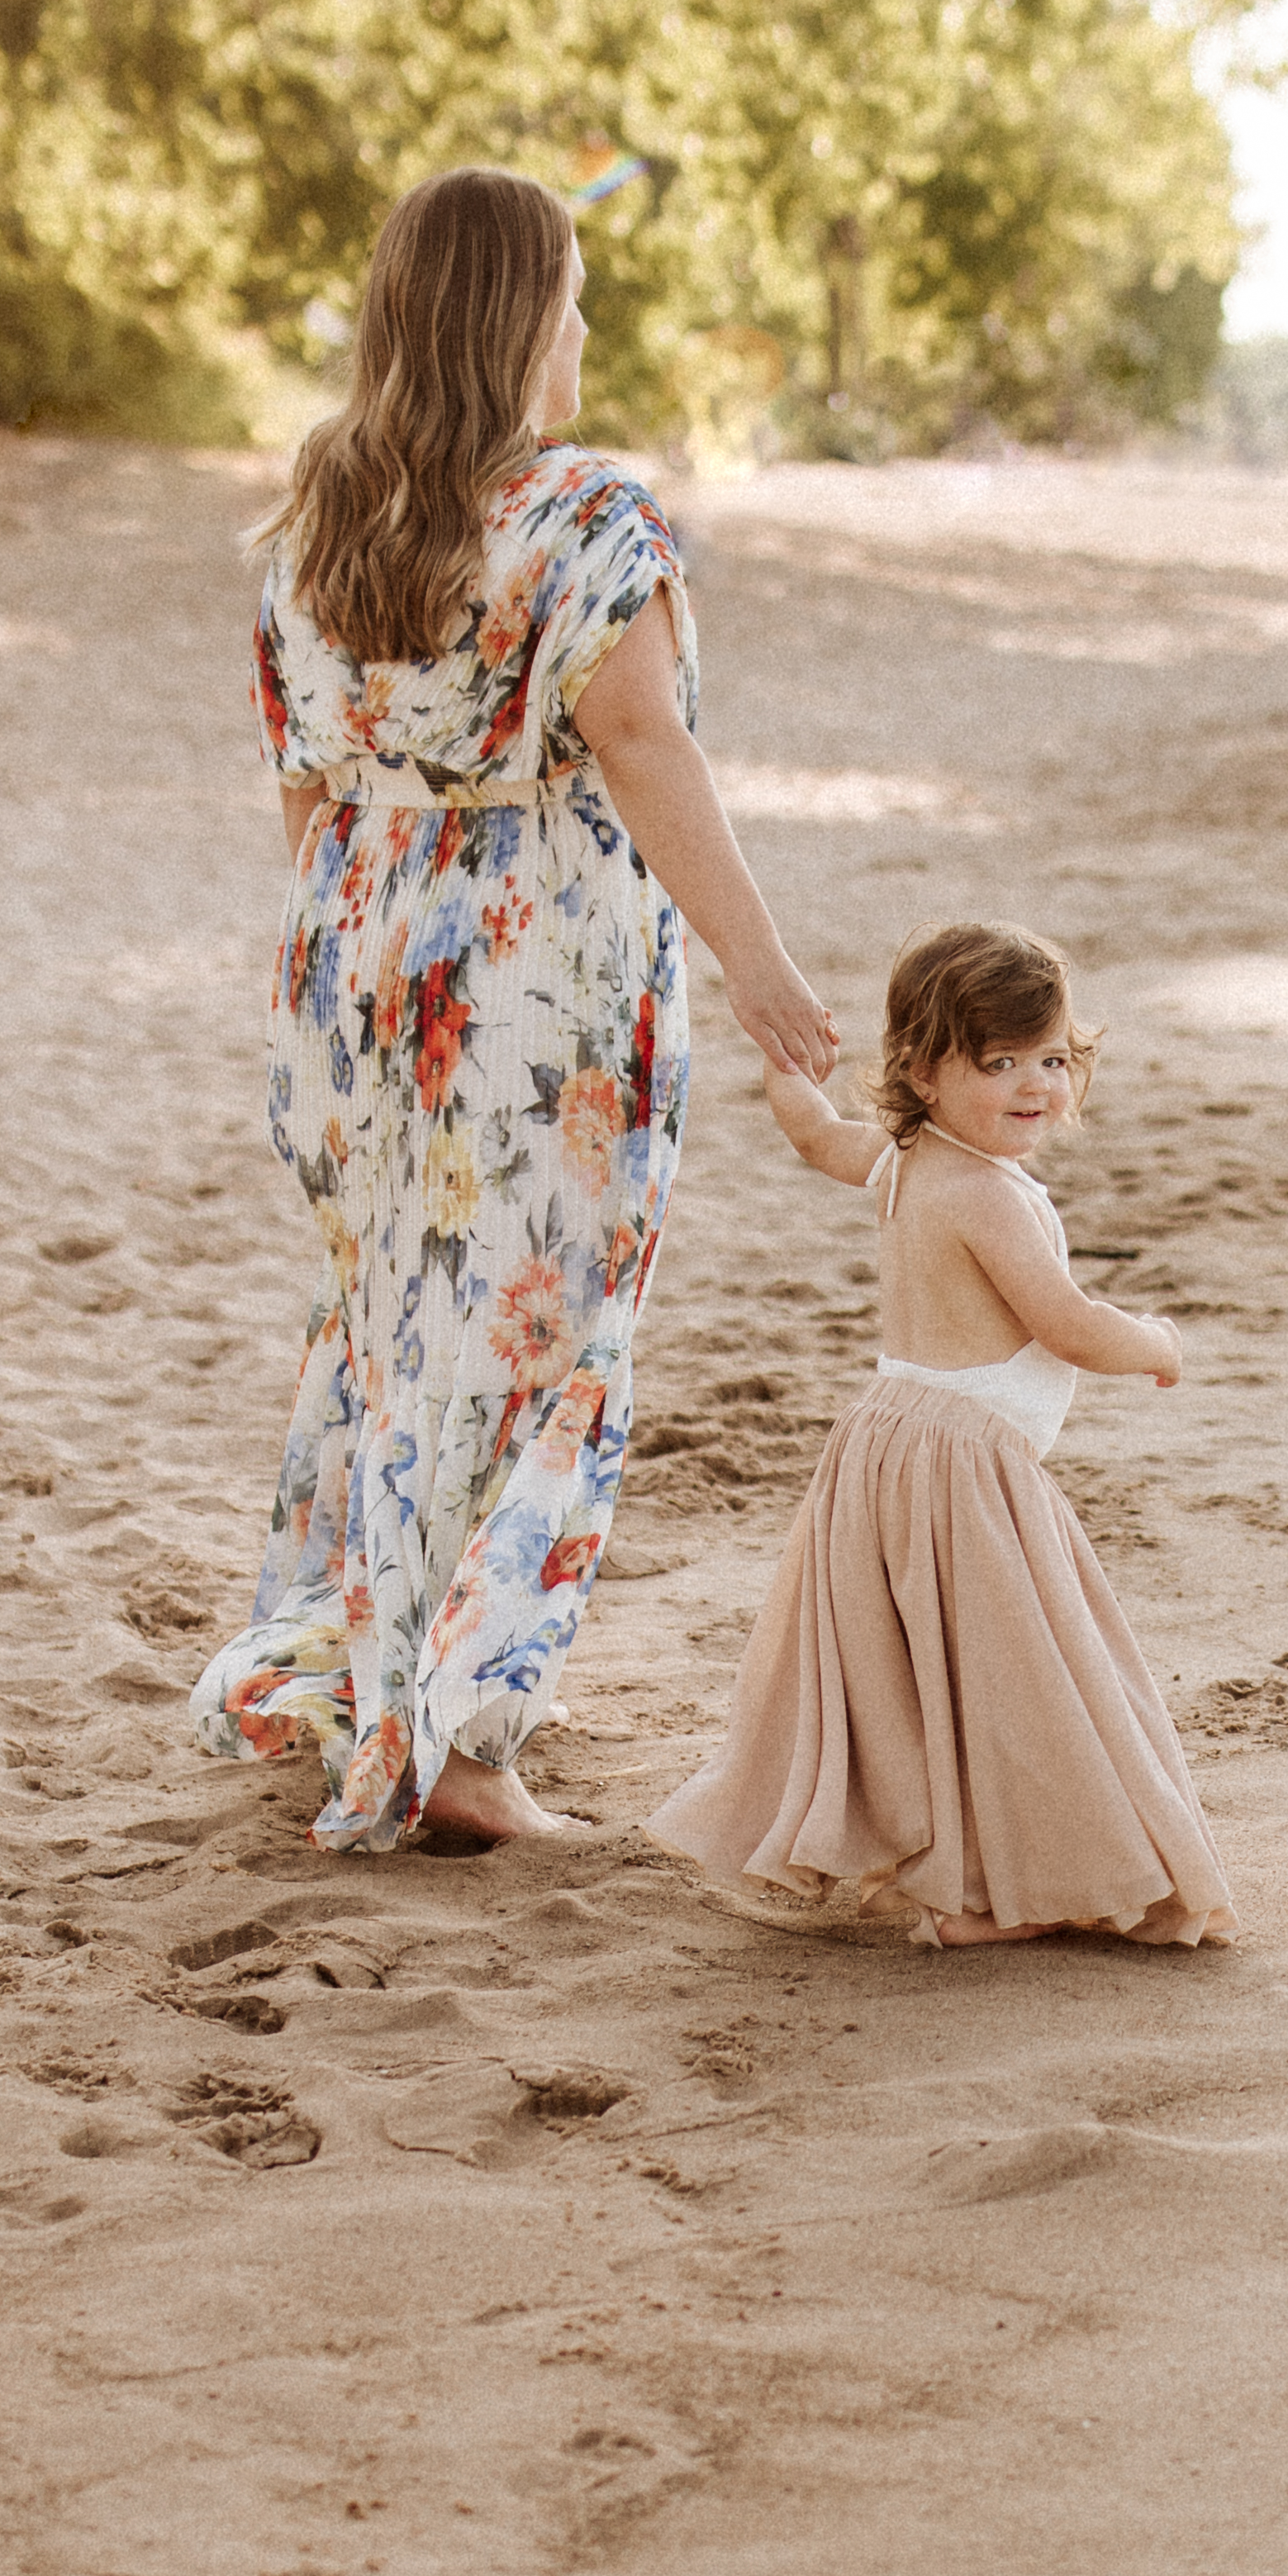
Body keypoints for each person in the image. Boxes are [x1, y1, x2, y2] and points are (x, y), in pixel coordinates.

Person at [192, 166, 842, 1853]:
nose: (587, 325)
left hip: (355, 954)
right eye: (571, 293)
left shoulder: (318, 517)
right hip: (535, 971)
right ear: (518, 317)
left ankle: (382, 1673)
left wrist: (353, 963)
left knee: (393, 1327)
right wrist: (760, 968)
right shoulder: (582, 514)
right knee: (544, 1335)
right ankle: (465, 1737)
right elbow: (644, 749)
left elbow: (302, 787)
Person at [648, 923, 1240, 1948]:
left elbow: (815, 1132)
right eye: (998, 1062)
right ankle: (995, 1891)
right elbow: (1065, 1323)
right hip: (966, 1463)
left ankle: (957, 1878)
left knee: (922, 1671)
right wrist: (1156, 1342)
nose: (1035, 1086)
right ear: (923, 1073)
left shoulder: (904, 1159)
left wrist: (788, 1069)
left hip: (885, 1444)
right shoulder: (986, 1195)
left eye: (1051, 1060)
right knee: (1014, 1674)